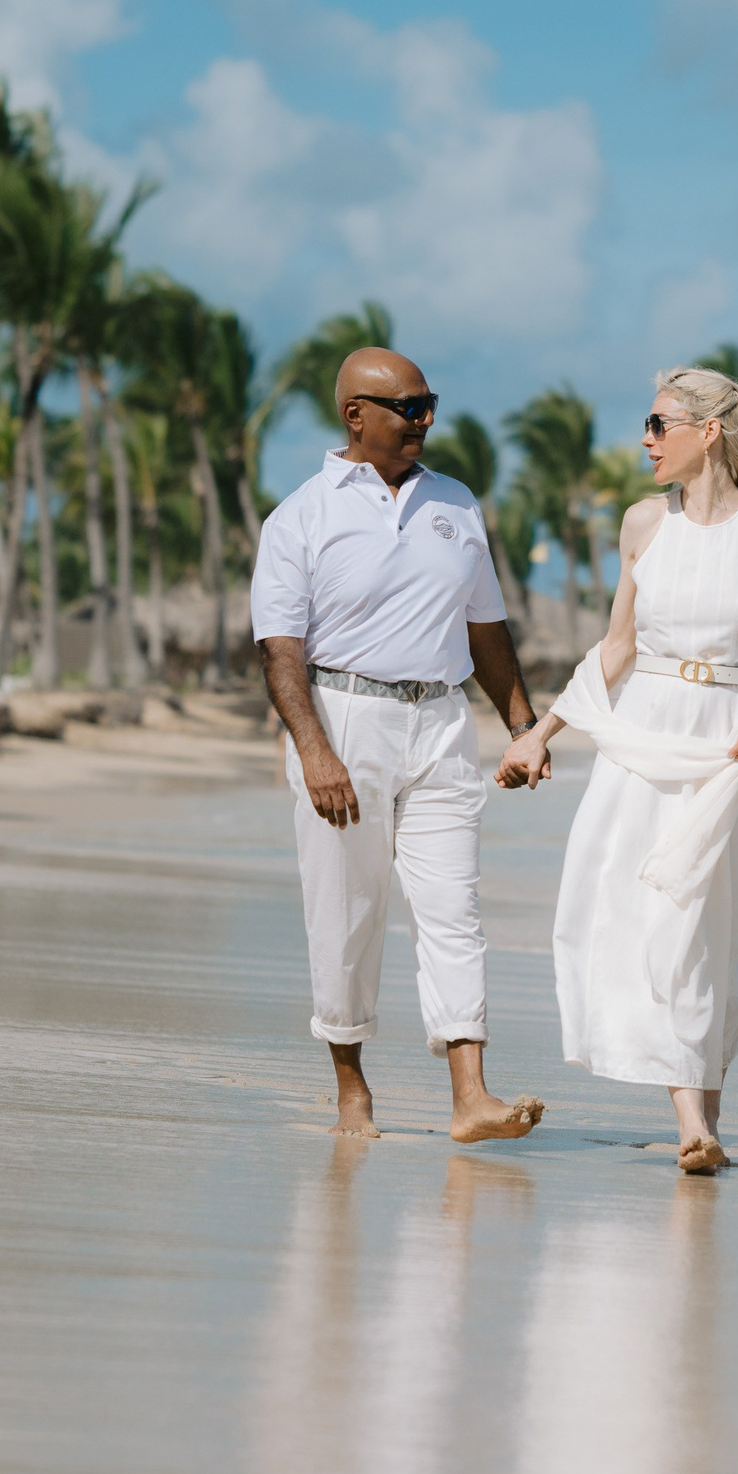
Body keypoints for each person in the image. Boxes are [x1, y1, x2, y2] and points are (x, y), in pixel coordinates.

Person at [498, 365, 738, 1174]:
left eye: (657, 425)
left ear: (707, 432)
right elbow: (617, 645)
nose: (644, 441)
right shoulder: (644, 524)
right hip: (642, 738)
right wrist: (542, 732)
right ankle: (691, 1123)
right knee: (648, 917)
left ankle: (705, 1116)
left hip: (725, 747)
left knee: (709, 929)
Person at [252, 345, 549, 1144]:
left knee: (454, 908)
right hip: (345, 719)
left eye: (429, 405)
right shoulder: (301, 517)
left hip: (442, 724)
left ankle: (470, 1096)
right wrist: (316, 751)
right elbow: (281, 651)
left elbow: (485, 630)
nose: (425, 421)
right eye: (408, 407)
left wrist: (522, 726)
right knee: (346, 916)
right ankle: (351, 1087)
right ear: (356, 415)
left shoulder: (456, 504)